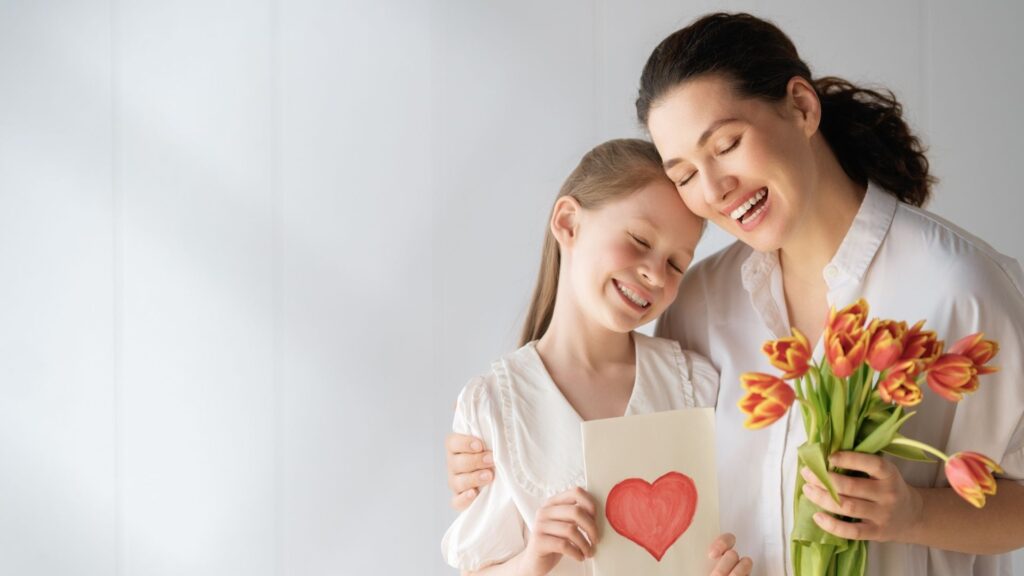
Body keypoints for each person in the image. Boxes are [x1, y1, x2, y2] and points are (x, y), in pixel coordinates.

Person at [446, 12, 1024, 576]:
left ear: (800, 107)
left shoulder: (959, 288)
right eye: (685, 175)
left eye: (725, 144)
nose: (716, 189)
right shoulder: (699, 301)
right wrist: (501, 458)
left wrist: (916, 514)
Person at [441, 139, 752, 576]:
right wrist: (534, 559)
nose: (654, 273)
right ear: (568, 222)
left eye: (677, 264)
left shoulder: (694, 384)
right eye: (640, 240)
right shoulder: (494, 406)